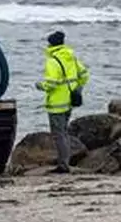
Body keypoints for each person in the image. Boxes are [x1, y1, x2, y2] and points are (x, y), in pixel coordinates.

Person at [36, 31, 90, 173]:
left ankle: (63, 165)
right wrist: (77, 89)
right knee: (64, 133)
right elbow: (84, 74)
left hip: (56, 104)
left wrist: (40, 86)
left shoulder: (52, 61)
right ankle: (65, 162)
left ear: (51, 44)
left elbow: (51, 84)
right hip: (69, 102)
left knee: (59, 135)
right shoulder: (70, 56)